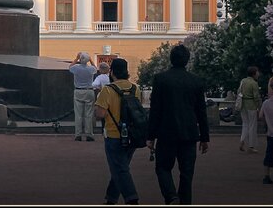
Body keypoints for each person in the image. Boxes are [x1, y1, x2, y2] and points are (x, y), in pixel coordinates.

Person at [147, 44, 210, 205]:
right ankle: (185, 202)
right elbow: (201, 111)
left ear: (171, 59)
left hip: (166, 132)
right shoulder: (196, 81)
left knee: (162, 168)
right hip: (189, 133)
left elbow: (155, 109)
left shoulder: (161, 79)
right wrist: (204, 137)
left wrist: (151, 136)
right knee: (187, 173)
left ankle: (171, 196)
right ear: (187, 60)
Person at [94, 57, 140, 205]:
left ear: (112, 72)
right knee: (121, 166)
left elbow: (100, 114)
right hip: (132, 134)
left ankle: (131, 197)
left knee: (119, 168)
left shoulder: (108, 90)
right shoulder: (135, 88)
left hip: (113, 134)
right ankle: (111, 198)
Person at [69, 51, 98, 141]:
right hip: (89, 91)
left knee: (78, 114)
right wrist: (91, 60)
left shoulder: (76, 68)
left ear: (80, 60)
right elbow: (95, 68)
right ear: (87, 60)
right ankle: (89, 134)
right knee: (89, 114)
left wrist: (76, 58)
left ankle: (78, 134)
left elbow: (70, 67)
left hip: (78, 91)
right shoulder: (91, 69)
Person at [236, 66, 261, 153]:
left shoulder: (243, 81)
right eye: (257, 72)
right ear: (254, 73)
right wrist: (259, 107)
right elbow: (256, 97)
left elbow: (238, 91)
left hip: (243, 105)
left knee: (245, 124)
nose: (258, 74)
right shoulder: (254, 83)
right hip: (251, 105)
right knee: (252, 126)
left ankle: (242, 141)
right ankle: (251, 146)